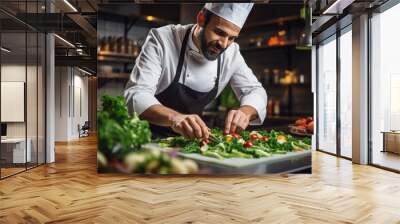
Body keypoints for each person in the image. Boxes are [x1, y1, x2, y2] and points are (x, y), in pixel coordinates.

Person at [124, 3, 268, 140]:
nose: (223, 44)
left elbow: (254, 90)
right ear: (201, 19)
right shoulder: (163, 39)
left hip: (189, 142)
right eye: (219, 32)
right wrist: (175, 118)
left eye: (231, 38)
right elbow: (136, 93)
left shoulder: (231, 53)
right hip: (146, 137)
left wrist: (246, 112)